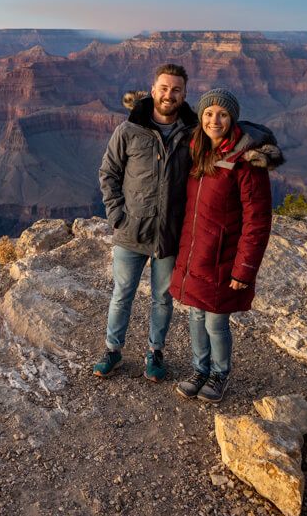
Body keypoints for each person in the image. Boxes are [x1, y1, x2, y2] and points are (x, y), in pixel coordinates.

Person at [93, 68, 281, 382]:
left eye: (176, 90)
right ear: (152, 90)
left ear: (184, 95)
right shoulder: (128, 130)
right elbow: (108, 173)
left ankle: (155, 353)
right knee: (121, 294)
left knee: (162, 298)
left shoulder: (193, 133)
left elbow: (232, 135)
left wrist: (260, 149)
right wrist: (117, 216)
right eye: (164, 88)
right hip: (130, 231)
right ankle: (112, 349)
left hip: (171, 233)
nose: (169, 95)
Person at [170, 88, 273, 403]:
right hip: (195, 254)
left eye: (223, 114)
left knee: (216, 321)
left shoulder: (246, 161)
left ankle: (219, 373)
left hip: (224, 257)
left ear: (232, 119)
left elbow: (258, 220)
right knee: (195, 317)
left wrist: (244, 269)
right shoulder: (197, 150)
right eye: (209, 113)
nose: (215, 120)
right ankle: (200, 369)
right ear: (201, 117)